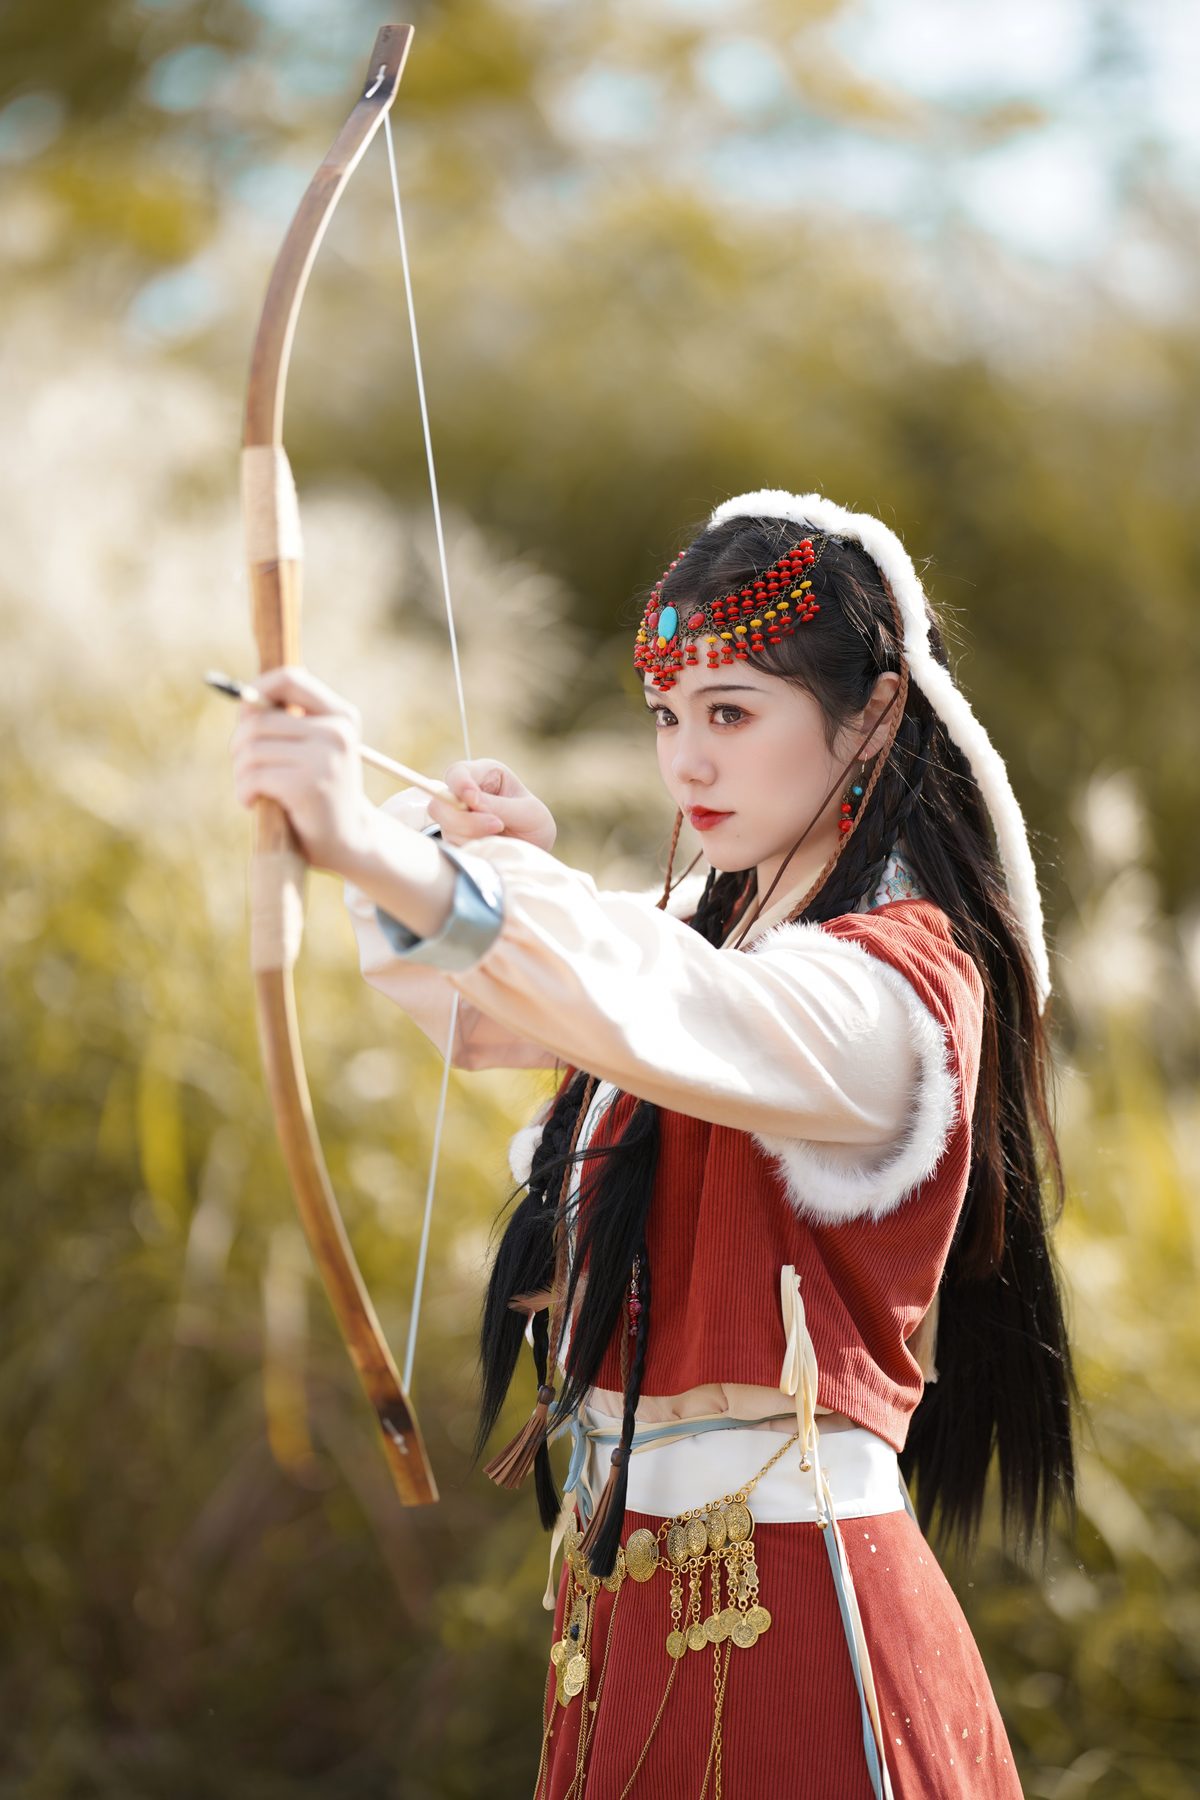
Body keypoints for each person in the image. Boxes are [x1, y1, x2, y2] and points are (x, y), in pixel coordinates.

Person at [229, 489, 1078, 1798]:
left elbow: (655, 998)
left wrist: (405, 857)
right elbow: (515, 1007)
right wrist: (413, 855)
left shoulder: (902, 987)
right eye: (667, 717)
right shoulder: (703, 944)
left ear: (874, 714)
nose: (686, 765)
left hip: (801, 1620)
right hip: (622, 1619)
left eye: (731, 713)